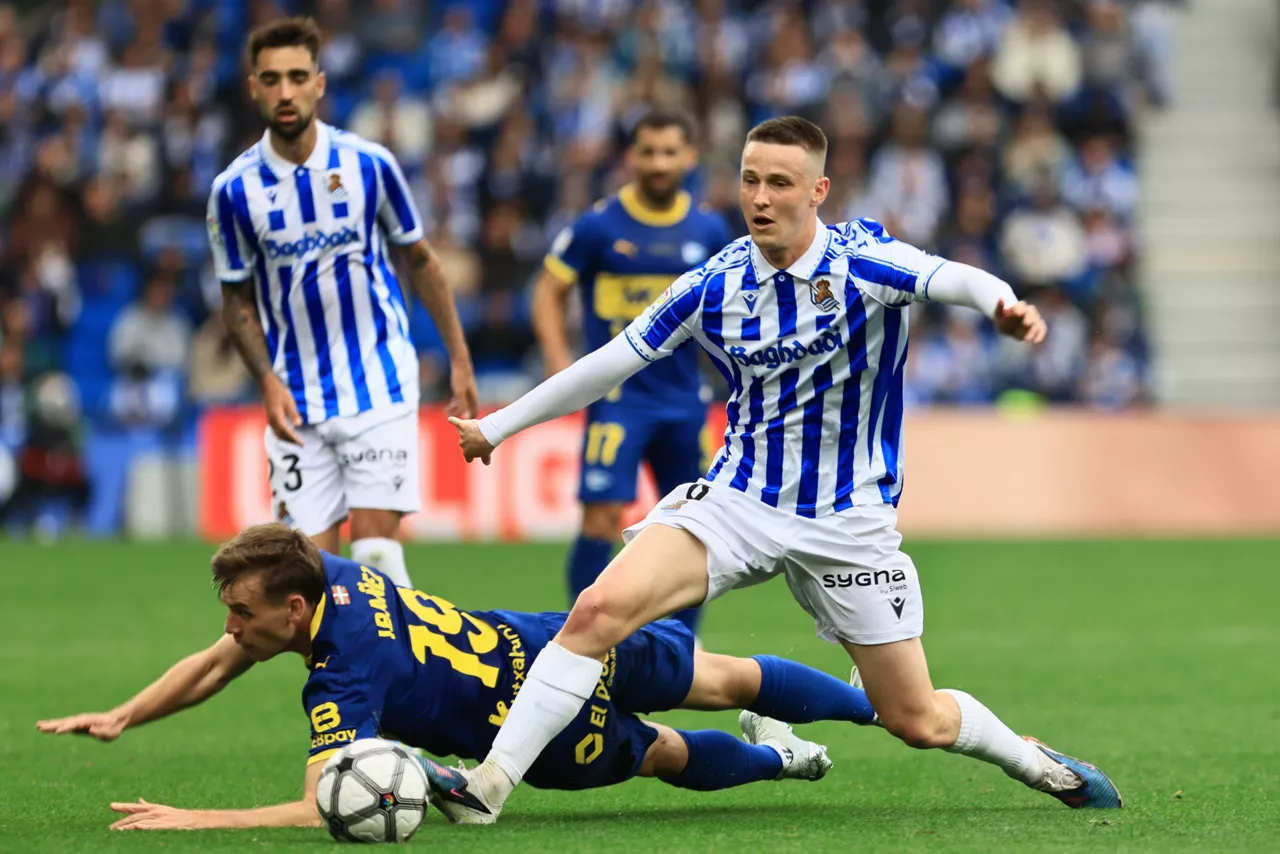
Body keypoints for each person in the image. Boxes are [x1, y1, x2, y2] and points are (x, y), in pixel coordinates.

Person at [445, 116, 1122, 823]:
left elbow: (951, 277)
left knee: (916, 719)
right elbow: (609, 363)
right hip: (738, 499)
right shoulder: (714, 284)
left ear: (818, 191)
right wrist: (497, 426)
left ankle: (1039, 764)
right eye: (749, 180)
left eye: (779, 183)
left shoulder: (865, 261)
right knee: (595, 613)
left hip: (847, 517)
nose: (760, 198)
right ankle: (488, 786)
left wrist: (1000, 304)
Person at [36, 523, 884, 831]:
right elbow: (222, 662)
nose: (230, 628)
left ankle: (782, 760)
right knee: (728, 677)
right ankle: (876, 706)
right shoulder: (326, 571)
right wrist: (125, 714)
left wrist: (200, 818)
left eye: (241, 612)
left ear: (292, 612)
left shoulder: (342, 680)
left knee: (663, 752)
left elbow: (318, 805)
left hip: (538, 734)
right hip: (553, 642)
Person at [207, 17, 478, 588]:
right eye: (272, 79)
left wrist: (458, 356)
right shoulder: (233, 191)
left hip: (378, 381)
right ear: (253, 87)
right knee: (307, 579)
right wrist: (267, 382)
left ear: (320, 83)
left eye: (297, 77)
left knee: (376, 555)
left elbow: (420, 260)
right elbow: (236, 301)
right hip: (295, 397)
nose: (285, 92)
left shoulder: (368, 164)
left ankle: (406, 651)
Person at [532, 109, 732, 633]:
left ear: (690, 157)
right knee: (601, 518)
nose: (659, 163)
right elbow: (548, 290)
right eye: (648, 152)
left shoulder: (709, 229)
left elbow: (736, 307)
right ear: (630, 157)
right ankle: (587, 640)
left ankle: (679, 646)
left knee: (695, 526)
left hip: (685, 401)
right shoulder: (598, 226)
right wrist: (557, 357)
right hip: (618, 401)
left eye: (669, 152)